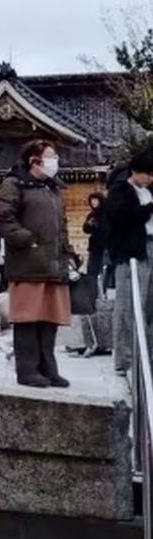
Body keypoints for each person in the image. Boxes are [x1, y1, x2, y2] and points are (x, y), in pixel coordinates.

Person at [0, 140, 77, 388]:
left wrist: (68, 252)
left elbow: (60, 226)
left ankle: (48, 368)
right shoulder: (14, 184)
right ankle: (27, 370)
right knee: (28, 318)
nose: (56, 162)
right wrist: (27, 240)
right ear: (34, 160)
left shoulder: (53, 188)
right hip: (28, 263)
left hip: (53, 262)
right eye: (51, 157)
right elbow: (3, 219)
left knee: (50, 318)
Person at [106, 151, 153, 376]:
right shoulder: (120, 191)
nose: (149, 179)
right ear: (135, 171)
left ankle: (146, 355)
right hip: (130, 252)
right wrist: (147, 210)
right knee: (127, 305)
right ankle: (123, 359)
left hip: (149, 246)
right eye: (147, 174)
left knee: (147, 305)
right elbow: (119, 218)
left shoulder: (149, 191)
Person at [81, 192, 109, 357]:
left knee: (103, 274)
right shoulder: (92, 215)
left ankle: (102, 294)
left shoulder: (106, 214)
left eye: (96, 201)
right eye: (92, 201)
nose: (94, 203)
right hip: (94, 250)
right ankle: (93, 293)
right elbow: (86, 228)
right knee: (92, 273)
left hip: (104, 249)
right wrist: (90, 224)